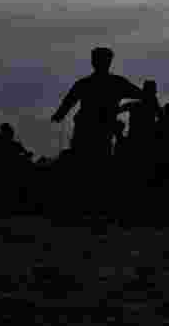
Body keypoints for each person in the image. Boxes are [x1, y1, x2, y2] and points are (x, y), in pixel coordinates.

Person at [50, 48, 145, 226]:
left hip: (94, 131)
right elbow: (143, 96)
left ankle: (91, 208)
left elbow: (66, 105)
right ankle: (92, 209)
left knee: (91, 168)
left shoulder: (92, 83)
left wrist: (59, 115)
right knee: (94, 168)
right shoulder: (112, 83)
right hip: (94, 131)